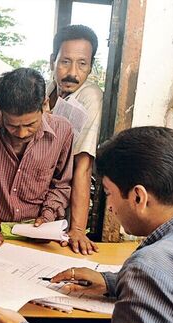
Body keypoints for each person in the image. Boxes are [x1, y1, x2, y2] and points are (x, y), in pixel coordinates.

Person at [0, 126, 173, 323]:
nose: (111, 207)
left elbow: (160, 276)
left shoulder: (151, 266)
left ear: (138, 197)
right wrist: (112, 281)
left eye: (108, 194)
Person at [0, 68, 73, 249]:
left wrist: (47, 217)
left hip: (40, 239)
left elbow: (61, 185)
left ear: (44, 105)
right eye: (12, 125)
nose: (21, 133)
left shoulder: (63, 131)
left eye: (30, 124)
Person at [47, 25, 103, 255]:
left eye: (82, 64)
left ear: (91, 66)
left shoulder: (90, 97)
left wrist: (78, 229)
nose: (73, 72)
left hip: (64, 198)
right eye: (65, 61)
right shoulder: (47, 88)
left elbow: (83, 165)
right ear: (53, 60)